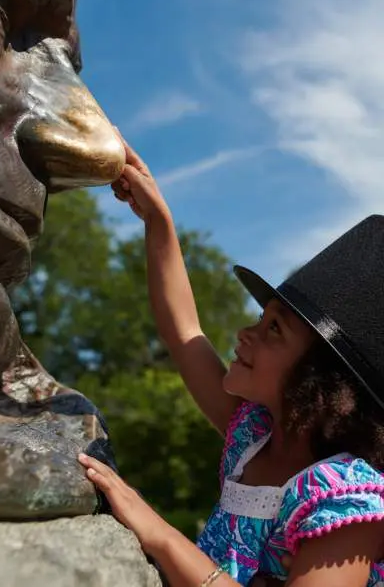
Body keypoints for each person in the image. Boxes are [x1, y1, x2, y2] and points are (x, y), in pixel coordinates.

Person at [79, 137, 384, 587]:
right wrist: (157, 219)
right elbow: (184, 333)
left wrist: (159, 534)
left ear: (321, 379)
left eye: (274, 329)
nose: (246, 333)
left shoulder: (348, 500)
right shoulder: (252, 436)